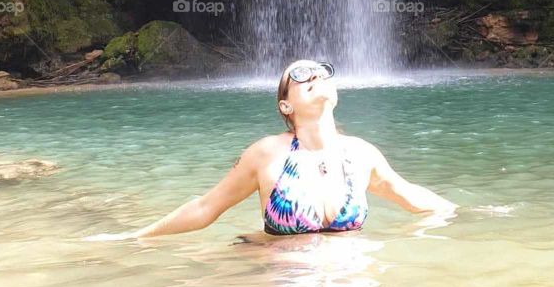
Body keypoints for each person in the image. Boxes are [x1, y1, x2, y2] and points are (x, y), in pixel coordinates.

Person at [89, 60, 456, 240]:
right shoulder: (266, 154)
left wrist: (470, 212)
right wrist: (136, 237)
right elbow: (206, 207)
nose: (315, 77)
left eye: (322, 73)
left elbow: (411, 196)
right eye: (300, 75)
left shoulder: (362, 155)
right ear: (285, 106)